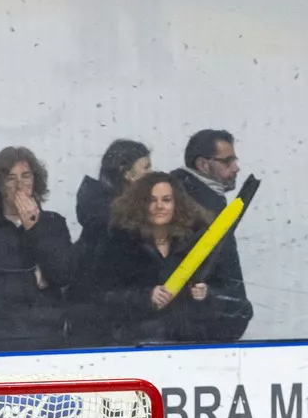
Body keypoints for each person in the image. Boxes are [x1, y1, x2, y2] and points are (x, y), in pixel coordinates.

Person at [83, 172, 219, 346]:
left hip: (186, 343)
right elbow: (97, 296)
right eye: (151, 200)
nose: (159, 206)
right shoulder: (117, 243)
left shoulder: (194, 241)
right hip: (134, 344)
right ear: (139, 205)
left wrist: (205, 294)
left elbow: (226, 292)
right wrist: (145, 297)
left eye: (166, 200)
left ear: (177, 205)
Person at [0, 148, 77, 353]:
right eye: (10, 178)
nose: (20, 186)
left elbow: (65, 275)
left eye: (26, 176)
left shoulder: (53, 224)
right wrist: (31, 280)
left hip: (46, 339)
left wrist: (34, 229)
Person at [167, 129, 253, 340]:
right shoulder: (202, 206)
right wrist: (235, 310)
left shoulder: (185, 193)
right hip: (200, 327)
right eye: (227, 161)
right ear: (203, 165)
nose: (236, 168)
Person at [73, 138, 151, 258]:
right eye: (146, 168)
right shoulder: (112, 213)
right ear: (126, 173)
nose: (151, 173)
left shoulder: (102, 206)